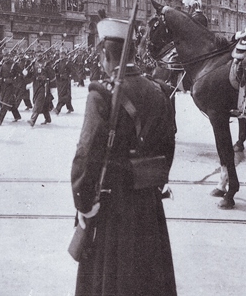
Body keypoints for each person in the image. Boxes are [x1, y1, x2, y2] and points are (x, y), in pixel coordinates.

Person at [71, 18, 177, 296]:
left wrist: (84, 204)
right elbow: (168, 147)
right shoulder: (160, 92)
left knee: (111, 282)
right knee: (149, 280)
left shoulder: (100, 95)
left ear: (106, 56)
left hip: (111, 207)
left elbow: (86, 154)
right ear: (133, 54)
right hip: (148, 206)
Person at [27, 49, 56, 127]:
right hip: (36, 85)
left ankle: (32, 120)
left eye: (40, 53)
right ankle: (48, 118)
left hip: (44, 85)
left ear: (42, 54)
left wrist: (52, 86)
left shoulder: (46, 63)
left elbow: (52, 75)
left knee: (38, 103)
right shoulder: (33, 63)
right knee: (42, 103)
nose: (38, 55)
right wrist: (27, 72)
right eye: (37, 53)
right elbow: (31, 75)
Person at [53, 48, 74, 114]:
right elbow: (54, 70)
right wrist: (55, 69)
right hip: (59, 80)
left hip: (66, 80)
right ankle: (70, 107)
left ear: (65, 55)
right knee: (61, 94)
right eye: (60, 54)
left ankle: (58, 109)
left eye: (63, 54)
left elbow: (72, 71)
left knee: (64, 95)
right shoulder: (57, 62)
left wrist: (68, 76)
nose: (61, 56)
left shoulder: (68, 62)